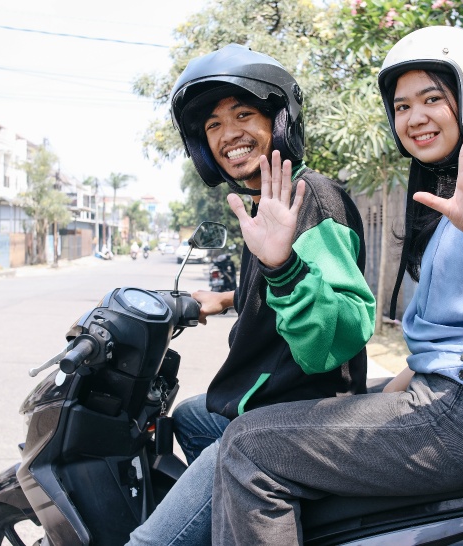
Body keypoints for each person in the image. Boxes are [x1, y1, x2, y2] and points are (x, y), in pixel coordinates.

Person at [211, 25, 463, 545]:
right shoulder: (446, 196)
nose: (415, 118)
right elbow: (444, 346)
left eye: (432, 99)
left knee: (250, 446)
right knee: (286, 422)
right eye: (402, 107)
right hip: (458, 403)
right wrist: (357, 406)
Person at [126, 44, 376, 545]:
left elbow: (342, 328)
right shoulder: (268, 201)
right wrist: (223, 300)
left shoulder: (311, 201)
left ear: (279, 122)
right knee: (194, 415)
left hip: (296, 414)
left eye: (243, 114)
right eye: (213, 125)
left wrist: (281, 266)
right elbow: (279, 293)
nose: (227, 135)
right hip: (268, 400)